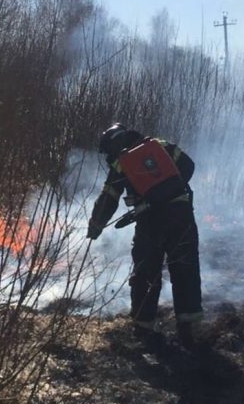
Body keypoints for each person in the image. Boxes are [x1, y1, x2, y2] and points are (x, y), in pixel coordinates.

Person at [87, 123, 203, 347]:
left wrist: (96, 225)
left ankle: (143, 326)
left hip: (150, 223)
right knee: (185, 268)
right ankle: (189, 328)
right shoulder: (160, 145)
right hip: (182, 216)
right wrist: (169, 189)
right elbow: (188, 166)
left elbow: (108, 198)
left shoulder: (122, 162)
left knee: (146, 272)